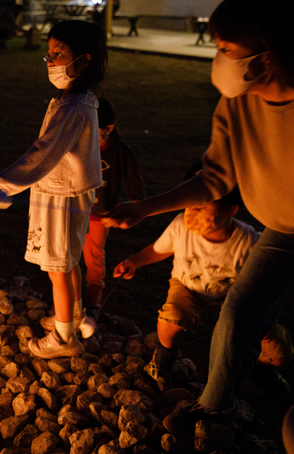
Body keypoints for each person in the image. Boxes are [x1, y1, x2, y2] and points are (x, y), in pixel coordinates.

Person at [102, 0, 294, 435]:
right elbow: (215, 176)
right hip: (281, 232)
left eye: (227, 46)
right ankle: (215, 408)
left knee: (255, 321)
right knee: (238, 314)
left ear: (267, 49)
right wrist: (145, 208)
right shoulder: (238, 103)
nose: (219, 56)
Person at [0, 20, 106, 359]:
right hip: (68, 192)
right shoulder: (79, 100)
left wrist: (0, 183)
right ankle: (73, 315)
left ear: (85, 59)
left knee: (57, 268)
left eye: (59, 54)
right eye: (48, 55)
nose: (50, 61)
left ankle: (64, 338)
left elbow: (43, 153)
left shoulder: (73, 107)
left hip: (62, 197)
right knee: (68, 261)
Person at [113, 164, 291, 389]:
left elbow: (266, 276)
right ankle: (164, 356)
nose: (192, 210)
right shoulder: (180, 227)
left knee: (277, 350)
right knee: (171, 319)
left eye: (202, 204)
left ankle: (259, 368)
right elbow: (160, 249)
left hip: (232, 297)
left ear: (230, 210)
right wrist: (134, 261)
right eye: (189, 204)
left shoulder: (247, 241)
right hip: (187, 288)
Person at [83, 98, 143, 308]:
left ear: (109, 128)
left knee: (93, 256)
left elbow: (135, 185)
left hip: (100, 215)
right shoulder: (81, 146)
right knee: (68, 252)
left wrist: (129, 210)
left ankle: (93, 293)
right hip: (75, 210)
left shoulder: (120, 151)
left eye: (93, 129)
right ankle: (69, 298)